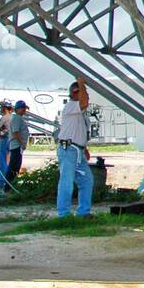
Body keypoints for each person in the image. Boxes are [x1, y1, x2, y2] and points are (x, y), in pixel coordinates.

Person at [55, 76, 94, 218]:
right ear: (74, 94)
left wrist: (84, 148)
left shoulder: (82, 113)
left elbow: (79, 131)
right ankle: (63, 214)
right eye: (81, 92)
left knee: (86, 180)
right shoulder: (72, 106)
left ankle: (84, 212)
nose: (85, 95)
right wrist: (82, 83)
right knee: (67, 182)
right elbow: (83, 102)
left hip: (77, 149)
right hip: (69, 149)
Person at [6, 100, 30, 188]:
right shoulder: (17, 118)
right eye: (23, 108)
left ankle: (12, 185)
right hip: (16, 146)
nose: (24, 110)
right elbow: (15, 132)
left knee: (16, 166)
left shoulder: (19, 118)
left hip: (18, 146)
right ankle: (8, 187)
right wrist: (22, 143)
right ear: (18, 109)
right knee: (13, 166)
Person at [0, 101, 12, 190]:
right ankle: (9, 182)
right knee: (9, 161)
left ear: (4, 108)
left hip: (5, 140)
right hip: (13, 141)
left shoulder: (4, 118)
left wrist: (0, 128)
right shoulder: (14, 117)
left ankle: (1, 182)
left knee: (1, 161)